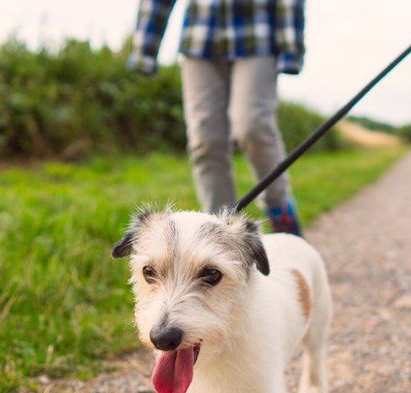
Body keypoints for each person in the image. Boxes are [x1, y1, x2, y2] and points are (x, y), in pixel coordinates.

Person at [127, 0, 306, 236]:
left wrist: (291, 46)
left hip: (258, 33)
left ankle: (279, 209)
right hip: (201, 36)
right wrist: (144, 48)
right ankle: (221, 232)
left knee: (252, 126)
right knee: (205, 141)